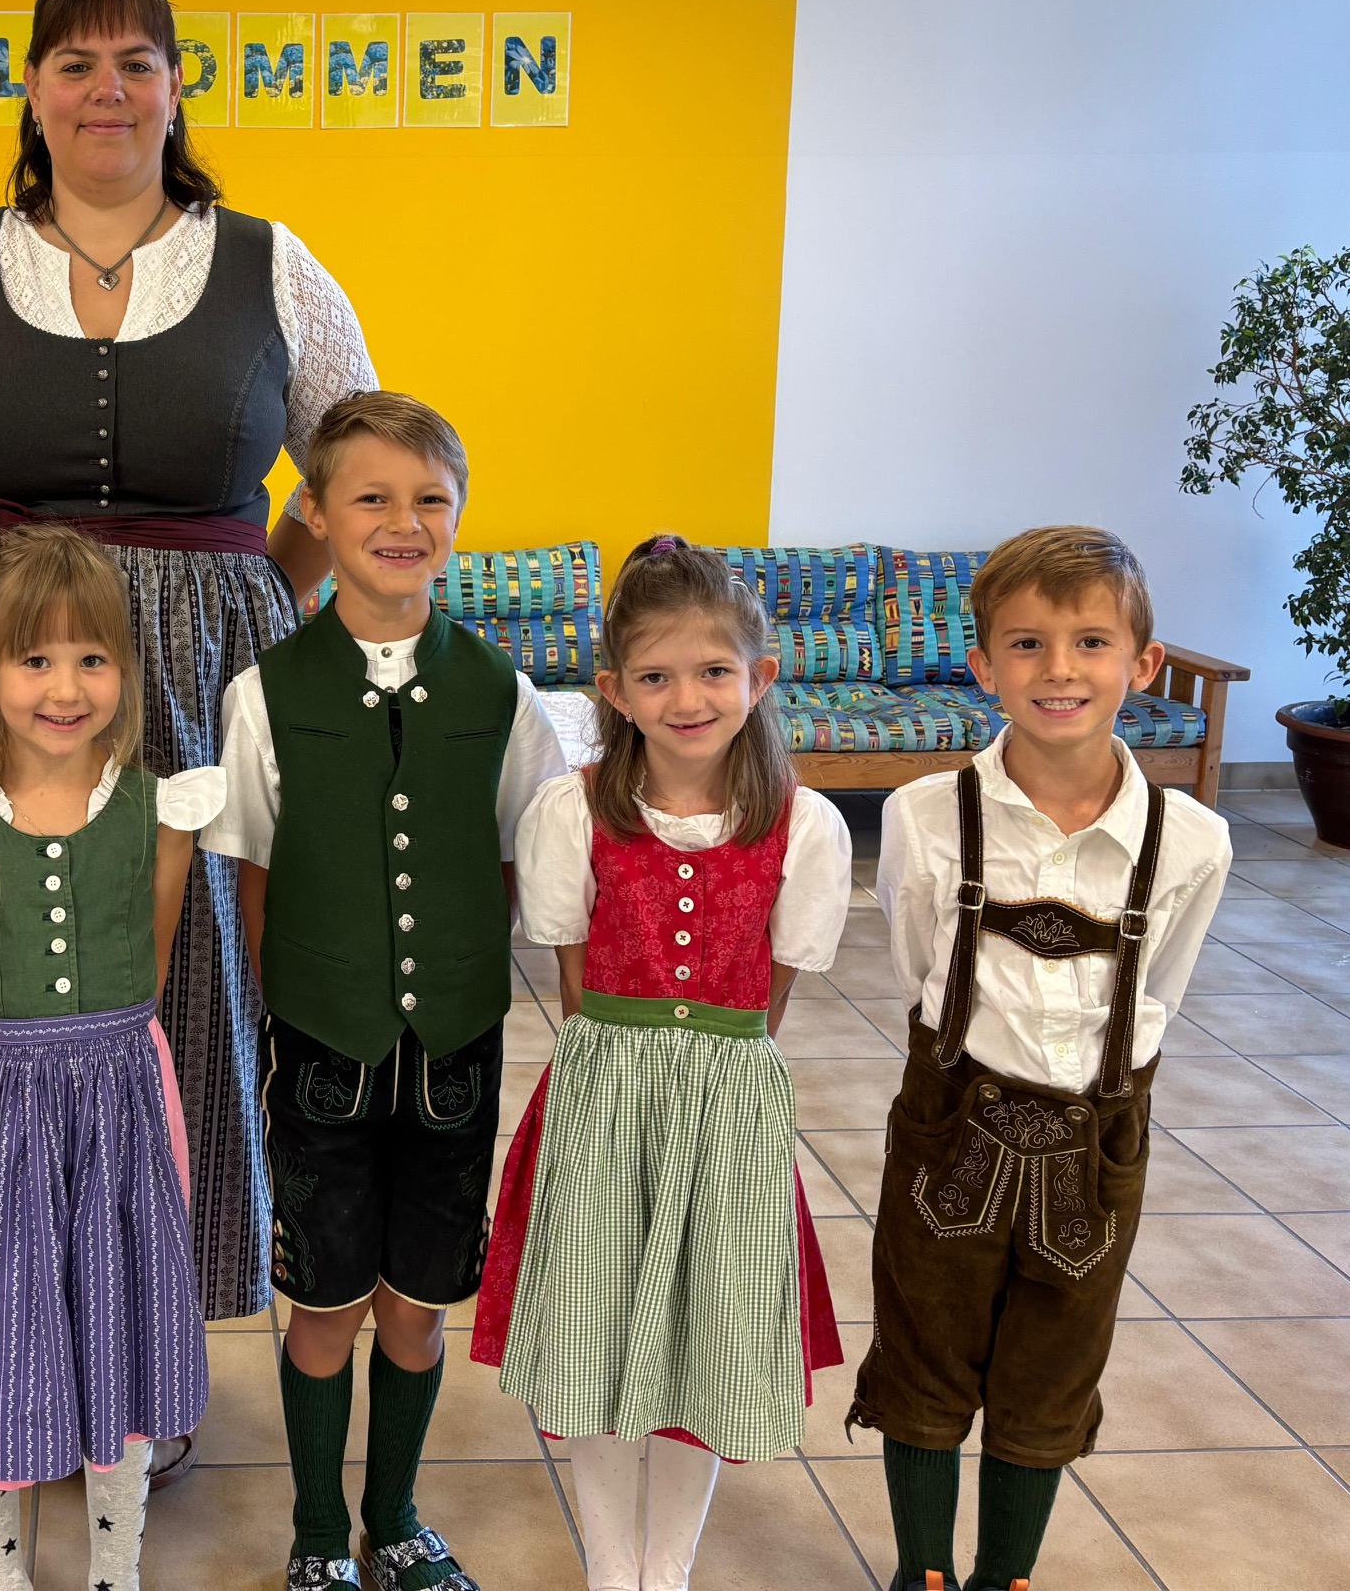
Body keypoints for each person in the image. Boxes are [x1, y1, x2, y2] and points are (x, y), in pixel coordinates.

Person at [0, 0, 381, 1400]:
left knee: (180, 987)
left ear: (179, 86)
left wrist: (266, 596)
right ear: (30, 88)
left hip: (199, 681)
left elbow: (355, 465)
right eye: (75, 63)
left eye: (137, 61)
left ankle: (143, 1351)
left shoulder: (275, 264)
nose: (107, 89)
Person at [201, 392, 569, 1591]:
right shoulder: (263, 693)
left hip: (456, 1048)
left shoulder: (504, 694)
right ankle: (318, 1536)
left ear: (457, 515)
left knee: (416, 1307)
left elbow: (521, 859)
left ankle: (394, 1517)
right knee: (324, 1307)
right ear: (314, 512)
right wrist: (294, 1004)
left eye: (429, 500)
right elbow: (253, 876)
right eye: (371, 497)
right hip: (319, 1046)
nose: (402, 521)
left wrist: (460, 972)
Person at [850, 527, 1231, 1591]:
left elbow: (1159, 991)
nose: (1059, 669)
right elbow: (918, 968)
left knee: (1054, 1367)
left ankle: (1004, 1577)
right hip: (949, 1127)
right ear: (983, 667)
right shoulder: (928, 818)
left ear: (1142, 664)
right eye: (1026, 644)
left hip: (1095, 1144)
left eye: (1091, 642)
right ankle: (922, 1575)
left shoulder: (1191, 841)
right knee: (923, 1352)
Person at [471, 538, 853, 1591]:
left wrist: (706, 1077)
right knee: (595, 1331)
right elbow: (575, 981)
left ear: (759, 678)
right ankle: (610, 1565)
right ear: (615, 692)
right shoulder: (572, 810)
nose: (687, 699)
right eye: (655, 677)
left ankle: (666, 1566)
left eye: (713, 671)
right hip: (605, 1098)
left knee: (705, 1337)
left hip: (728, 1103)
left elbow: (770, 997)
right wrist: (632, 1079)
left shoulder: (805, 825)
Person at [0, 524, 220, 1591]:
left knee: (120, 1339)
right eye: (35, 659)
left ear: (126, 670)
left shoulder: (163, 817)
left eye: (92, 658)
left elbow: (147, 965)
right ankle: (0, 1574)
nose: (65, 687)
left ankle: (116, 1571)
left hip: (119, 1110)